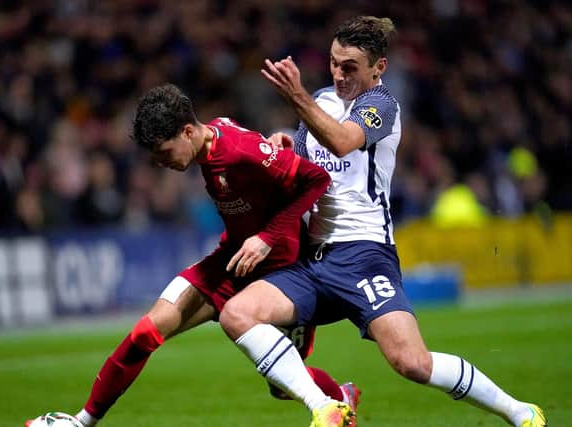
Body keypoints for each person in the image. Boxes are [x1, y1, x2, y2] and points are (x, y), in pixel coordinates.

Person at [219, 16, 547, 427]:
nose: (339, 74)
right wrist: (282, 146)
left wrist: (296, 96)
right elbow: (302, 162)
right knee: (238, 314)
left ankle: (520, 412)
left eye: (350, 67)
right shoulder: (320, 99)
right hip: (311, 260)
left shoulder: (382, 106)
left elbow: (340, 142)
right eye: (334, 63)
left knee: (411, 362)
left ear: (379, 68)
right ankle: (328, 406)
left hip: (364, 253)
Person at [26, 83, 357, 427]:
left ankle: (340, 398)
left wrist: (267, 237)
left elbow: (316, 179)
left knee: (284, 387)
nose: (161, 162)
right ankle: (82, 422)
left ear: (187, 131)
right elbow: (237, 131)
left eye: (164, 152)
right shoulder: (214, 136)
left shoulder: (241, 151)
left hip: (284, 270)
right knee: (145, 332)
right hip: (231, 263)